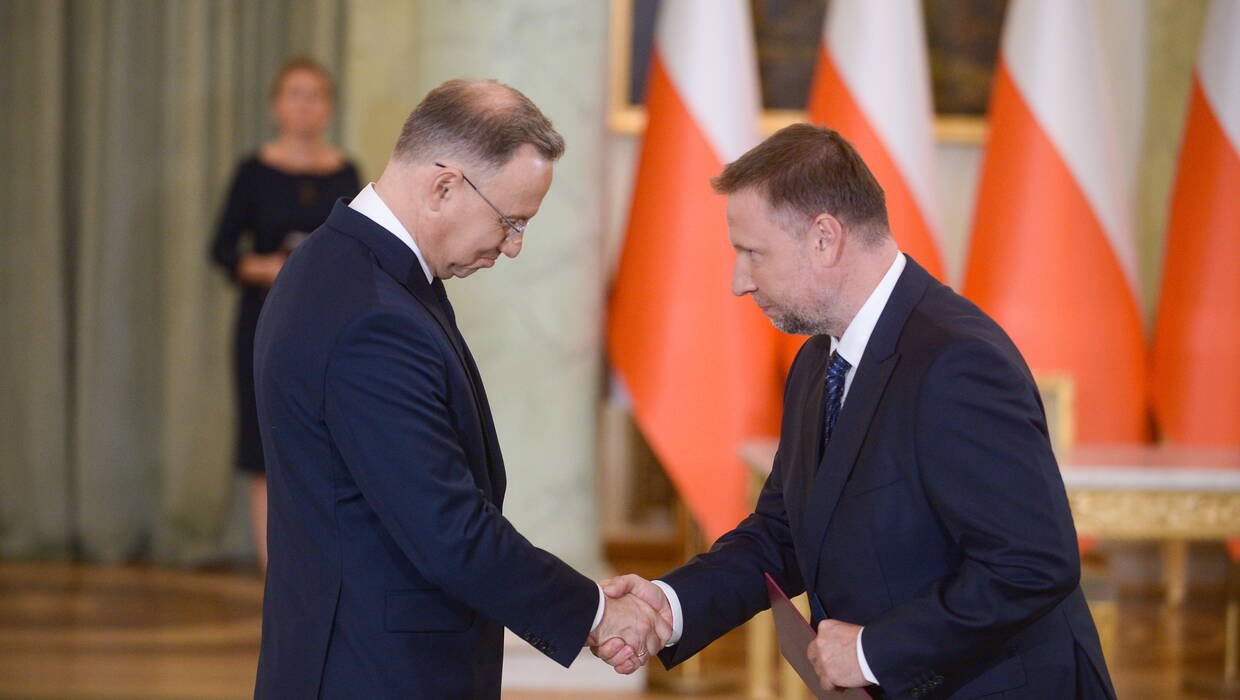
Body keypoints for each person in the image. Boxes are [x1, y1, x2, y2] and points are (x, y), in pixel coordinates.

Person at [595, 124, 1116, 699]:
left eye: (752, 253)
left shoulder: (957, 362)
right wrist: (671, 605)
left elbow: (1032, 566)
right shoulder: (820, 361)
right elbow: (784, 533)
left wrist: (872, 651)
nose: (739, 282)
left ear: (824, 238)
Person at [252, 79, 666, 699]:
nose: (515, 246)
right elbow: (449, 530)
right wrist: (597, 614)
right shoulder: (370, 314)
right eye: (511, 220)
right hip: (373, 673)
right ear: (445, 186)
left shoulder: (347, 269)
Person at [209, 57, 360, 571]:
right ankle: (277, 573)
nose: (305, 105)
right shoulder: (253, 172)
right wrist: (270, 268)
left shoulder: (346, 170)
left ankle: (320, 566)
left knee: (327, 445)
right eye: (295, 93)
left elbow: (357, 248)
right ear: (276, 104)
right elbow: (223, 250)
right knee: (264, 450)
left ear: (330, 106)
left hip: (329, 325)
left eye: (316, 94)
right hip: (265, 321)